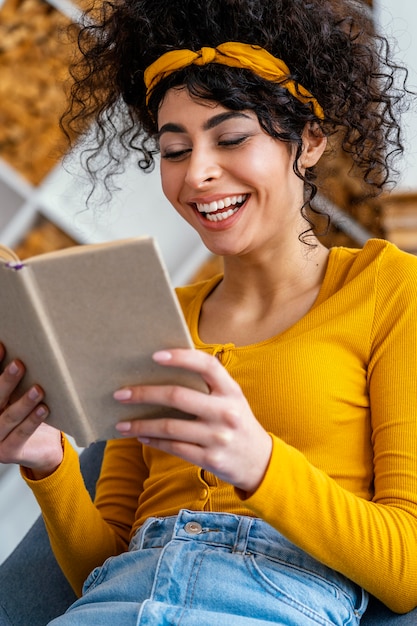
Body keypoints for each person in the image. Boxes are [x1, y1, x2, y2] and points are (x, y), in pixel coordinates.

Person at [1, 0, 417, 624]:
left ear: (308, 141)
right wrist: (49, 463)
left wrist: (259, 464)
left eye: (230, 138)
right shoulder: (156, 316)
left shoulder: (388, 290)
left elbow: (407, 572)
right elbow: (102, 562)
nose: (197, 174)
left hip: (272, 602)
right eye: (174, 150)